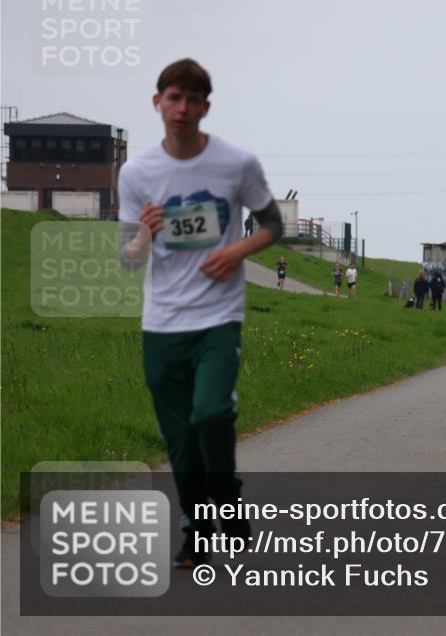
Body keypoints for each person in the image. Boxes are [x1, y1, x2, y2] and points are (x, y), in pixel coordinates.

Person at [119, 58, 283, 567]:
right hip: (162, 324)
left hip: (218, 317)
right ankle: (200, 529)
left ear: (206, 108)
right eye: (174, 98)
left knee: (211, 412)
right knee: (180, 438)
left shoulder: (236, 164)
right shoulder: (137, 173)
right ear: (158, 102)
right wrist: (144, 233)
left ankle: (227, 499)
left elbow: (272, 224)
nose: (183, 109)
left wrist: (236, 251)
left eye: (193, 100)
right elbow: (128, 262)